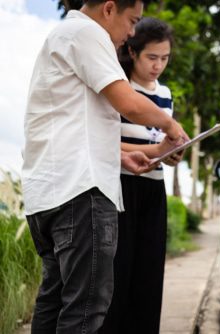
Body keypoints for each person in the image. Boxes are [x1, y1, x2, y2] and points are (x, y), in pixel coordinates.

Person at [21, 1, 188, 333]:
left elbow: (73, 122)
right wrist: (171, 127)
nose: (130, 33)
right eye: (132, 21)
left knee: (54, 303)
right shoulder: (87, 32)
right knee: (87, 308)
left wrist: (121, 156)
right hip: (81, 193)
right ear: (110, 8)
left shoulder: (62, 35)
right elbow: (127, 101)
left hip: (49, 191)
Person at [99, 17, 179, 334]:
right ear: (133, 53)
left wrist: (171, 153)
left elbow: (160, 145)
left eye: (165, 58)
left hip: (154, 188)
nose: (158, 65)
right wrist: (157, 149)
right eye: (151, 57)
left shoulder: (166, 93)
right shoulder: (119, 88)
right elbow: (107, 139)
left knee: (149, 272)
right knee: (119, 271)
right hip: (120, 185)